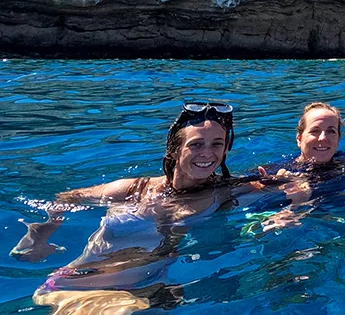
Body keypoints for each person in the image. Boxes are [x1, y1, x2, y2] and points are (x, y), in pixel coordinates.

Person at [11, 103, 252, 313]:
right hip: (76, 284)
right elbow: (65, 199)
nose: (207, 153)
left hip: (146, 291)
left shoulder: (223, 193)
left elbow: (283, 182)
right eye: (196, 144)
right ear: (174, 149)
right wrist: (40, 235)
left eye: (217, 144)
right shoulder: (131, 189)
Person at [252, 103, 345, 234]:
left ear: (338, 138)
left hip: (334, 219)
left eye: (331, 131)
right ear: (299, 139)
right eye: (314, 131)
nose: (323, 138)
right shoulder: (279, 171)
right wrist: (268, 188)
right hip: (284, 224)